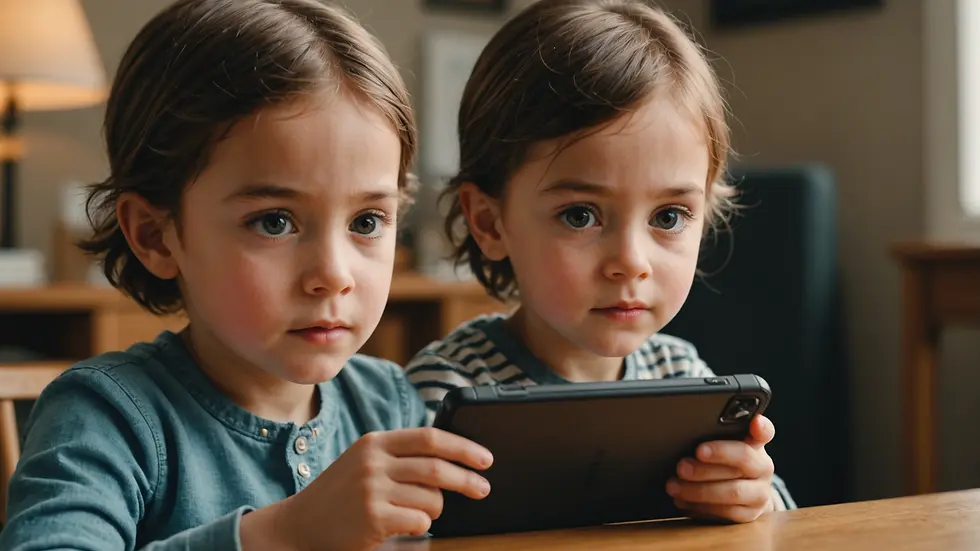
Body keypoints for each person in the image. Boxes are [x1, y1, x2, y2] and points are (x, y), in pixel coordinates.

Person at [0, 1, 492, 550]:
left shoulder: (391, 403)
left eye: (367, 221)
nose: (333, 275)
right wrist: (283, 534)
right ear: (156, 236)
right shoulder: (108, 417)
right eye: (274, 222)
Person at [405, 0, 796, 523]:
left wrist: (756, 501)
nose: (630, 263)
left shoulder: (683, 379)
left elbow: (785, 525)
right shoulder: (445, 393)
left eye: (670, 215)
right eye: (581, 215)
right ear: (490, 223)